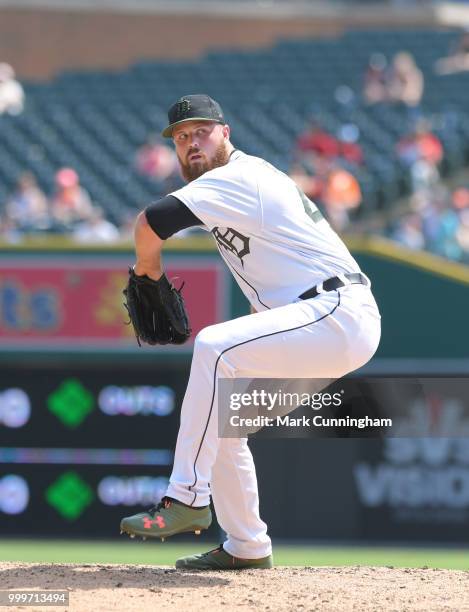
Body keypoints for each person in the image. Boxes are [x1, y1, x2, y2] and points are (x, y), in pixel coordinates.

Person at [120, 94, 381, 570]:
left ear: (226, 133)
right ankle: (246, 546)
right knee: (222, 422)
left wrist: (147, 272)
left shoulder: (237, 176)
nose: (191, 143)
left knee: (215, 347)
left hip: (336, 311)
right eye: (181, 138)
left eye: (202, 131)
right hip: (324, 320)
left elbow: (150, 222)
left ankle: (186, 497)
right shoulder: (228, 189)